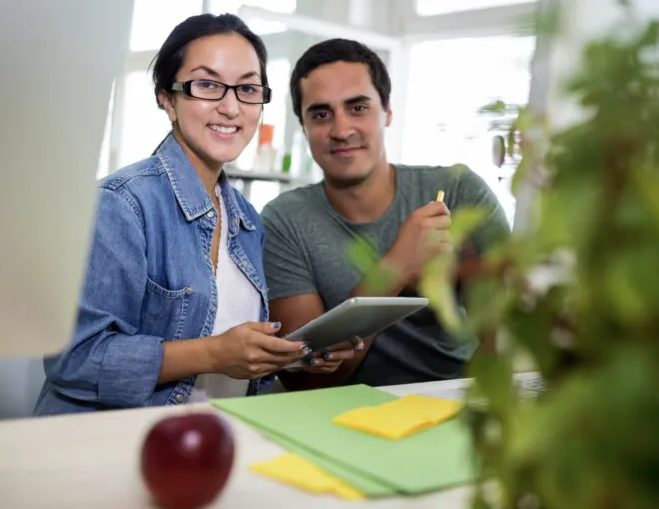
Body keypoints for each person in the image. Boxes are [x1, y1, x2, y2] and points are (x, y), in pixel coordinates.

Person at [33, 14, 312, 416]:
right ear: (167, 98)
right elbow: (76, 359)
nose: (231, 107)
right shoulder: (121, 203)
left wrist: (294, 356)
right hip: (108, 444)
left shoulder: (247, 220)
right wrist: (213, 353)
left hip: (209, 444)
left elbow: (233, 359)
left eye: (248, 88)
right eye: (208, 85)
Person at [261, 38, 511, 391]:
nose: (341, 130)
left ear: (388, 111)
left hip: (454, 400)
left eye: (358, 107)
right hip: (337, 413)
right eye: (320, 114)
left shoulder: (457, 190)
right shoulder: (283, 221)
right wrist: (394, 269)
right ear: (303, 127)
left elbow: (504, 329)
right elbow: (304, 379)